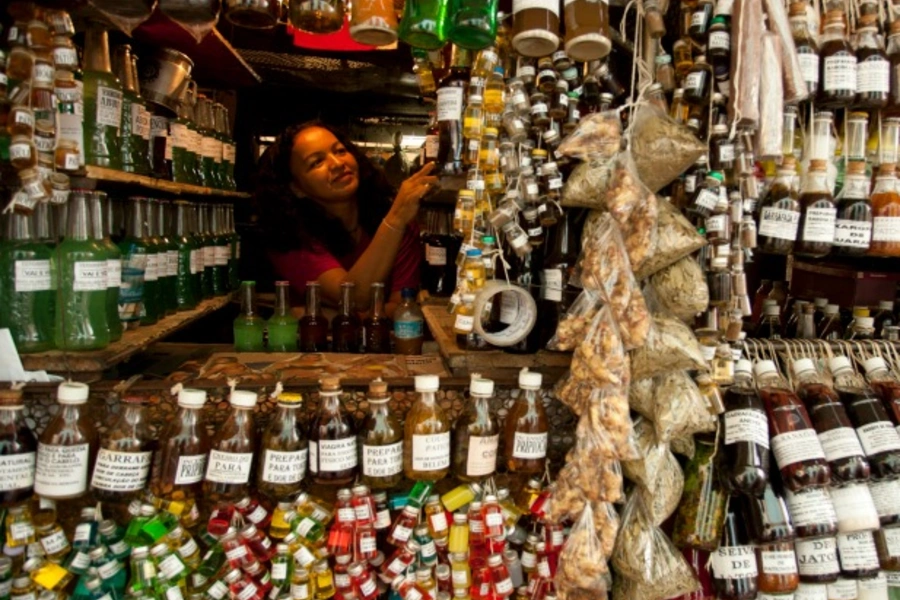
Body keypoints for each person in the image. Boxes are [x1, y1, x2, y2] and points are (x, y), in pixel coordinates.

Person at [255, 121, 438, 314]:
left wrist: (327, 316)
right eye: (316, 162)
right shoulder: (288, 237)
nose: (337, 164)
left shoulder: (400, 224)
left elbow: (402, 309)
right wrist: (395, 219)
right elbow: (353, 298)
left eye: (340, 151)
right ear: (296, 188)